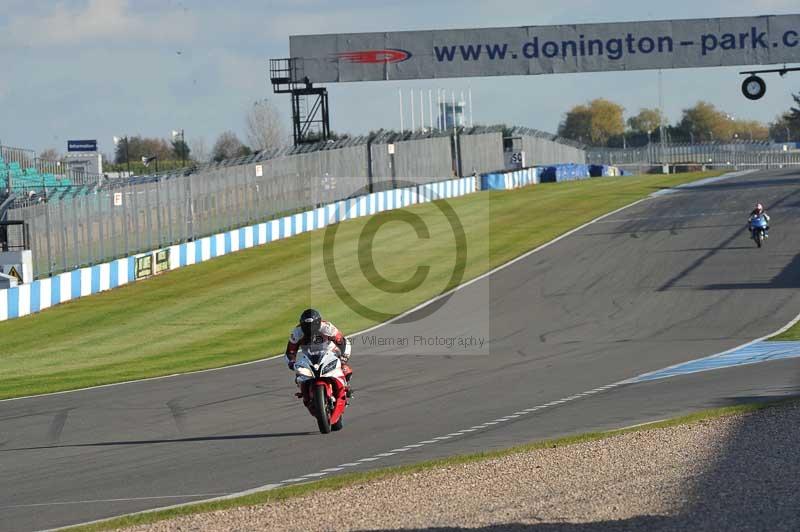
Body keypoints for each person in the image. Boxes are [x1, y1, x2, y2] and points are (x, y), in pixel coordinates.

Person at [284, 308, 353, 397]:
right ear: (302, 325)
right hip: (309, 357)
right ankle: (305, 393)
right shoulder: (297, 332)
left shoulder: (327, 327)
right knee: (299, 376)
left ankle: (345, 388)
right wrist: (291, 362)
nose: (310, 329)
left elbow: (342, 341)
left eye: (312, 325)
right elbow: (290, 351)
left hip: (330, 353)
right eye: (306, 326)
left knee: (345, 369)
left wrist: (344, 356)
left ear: (318, 323)